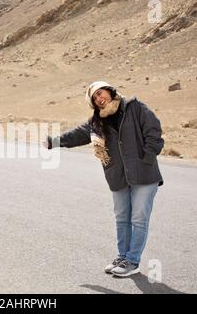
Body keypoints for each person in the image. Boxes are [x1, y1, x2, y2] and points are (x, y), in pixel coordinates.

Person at [44, 81, 164, 277]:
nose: (100, 99)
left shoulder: (134, 107)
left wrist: (147, 159)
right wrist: (53, 141)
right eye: (95, 98)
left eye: (100, 93)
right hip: (117, 175)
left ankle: (132, 262)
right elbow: (77, 135)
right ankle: (122, 256)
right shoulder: (97, 122)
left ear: (109, 90)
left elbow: (154, 132)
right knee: (121, 218)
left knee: (138, 219)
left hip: (144, 174)